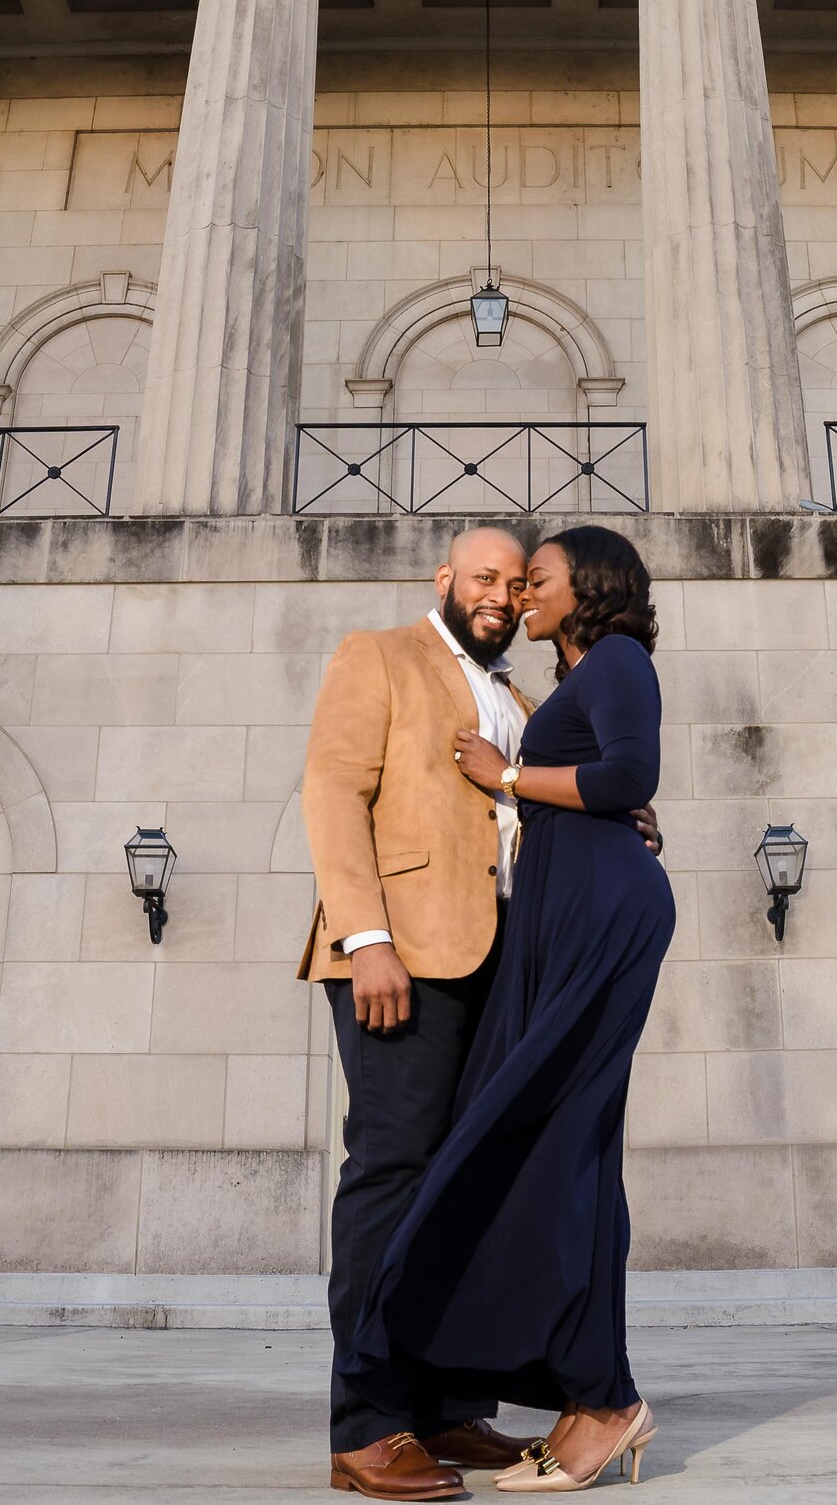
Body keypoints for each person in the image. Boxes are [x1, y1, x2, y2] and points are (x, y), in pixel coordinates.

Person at [345, 525, 675, 1494]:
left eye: (541, 577)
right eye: (512, 577)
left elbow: (627, 774)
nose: (525, 591)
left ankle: (604, 1401)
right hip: (559, 918)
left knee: (564, 1139)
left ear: (593, 585)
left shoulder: (617, 658)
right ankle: (578, 1389)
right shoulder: (561, 683)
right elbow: (607, 786)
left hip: (600, 917)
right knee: (557, 1145)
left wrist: (512, 777)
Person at [300, 526, 541, 1500]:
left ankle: (445, 1405)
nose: (500, 593)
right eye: (484, 576)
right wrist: (367, 938)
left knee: (467, 1186)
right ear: (445, 578)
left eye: (516, 583)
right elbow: (332, 790)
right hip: (398, 954)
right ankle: (367, 1423)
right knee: (393, 1173)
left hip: (498, 968)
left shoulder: (517, 698)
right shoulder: (380, 655)